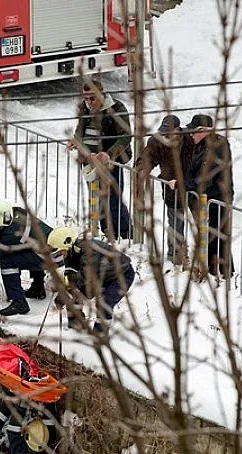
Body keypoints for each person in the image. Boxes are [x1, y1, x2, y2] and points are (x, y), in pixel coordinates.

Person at [69, 78, 133, 241]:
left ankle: (125, 234)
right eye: (86, 98)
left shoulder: (116, 109)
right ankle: (107, 230)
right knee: (95, 197)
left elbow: (125, 137)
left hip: (109, 163)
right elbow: (80, 128)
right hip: (89, 161)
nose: (89, 102)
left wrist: (109, 154)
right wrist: (76, 140)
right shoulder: (84, 107)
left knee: (113, 198)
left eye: (92, 98)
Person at [46, 226, 135, 334]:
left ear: (67, 242)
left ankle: (100, 335)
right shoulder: (71, 252)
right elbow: (70, 274)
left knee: (104, 302)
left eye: (60, 251)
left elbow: (84, 278)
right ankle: (76, 326)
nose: (60, 255)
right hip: (101, 276)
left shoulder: (90, 251)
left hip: (122, 275)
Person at [135, 114, 194, 266]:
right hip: (172, 188)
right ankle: (175, 254)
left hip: (194, 185)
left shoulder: (189, 139)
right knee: (176, 221)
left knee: (202, 222)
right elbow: (147, 158)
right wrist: (142, 169)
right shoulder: (156, 141)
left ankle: (205, 259)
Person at [182, 113, 235, 277]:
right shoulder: (199, 144)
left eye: (194, 131)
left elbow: (205, 176)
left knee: (219, 235)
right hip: (205, 198)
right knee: (208, 235)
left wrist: (184, 185)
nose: (191, 134)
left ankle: (225, 273)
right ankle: (213, 271)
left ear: (205, 130)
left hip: (218, 197)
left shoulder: (217, 145)